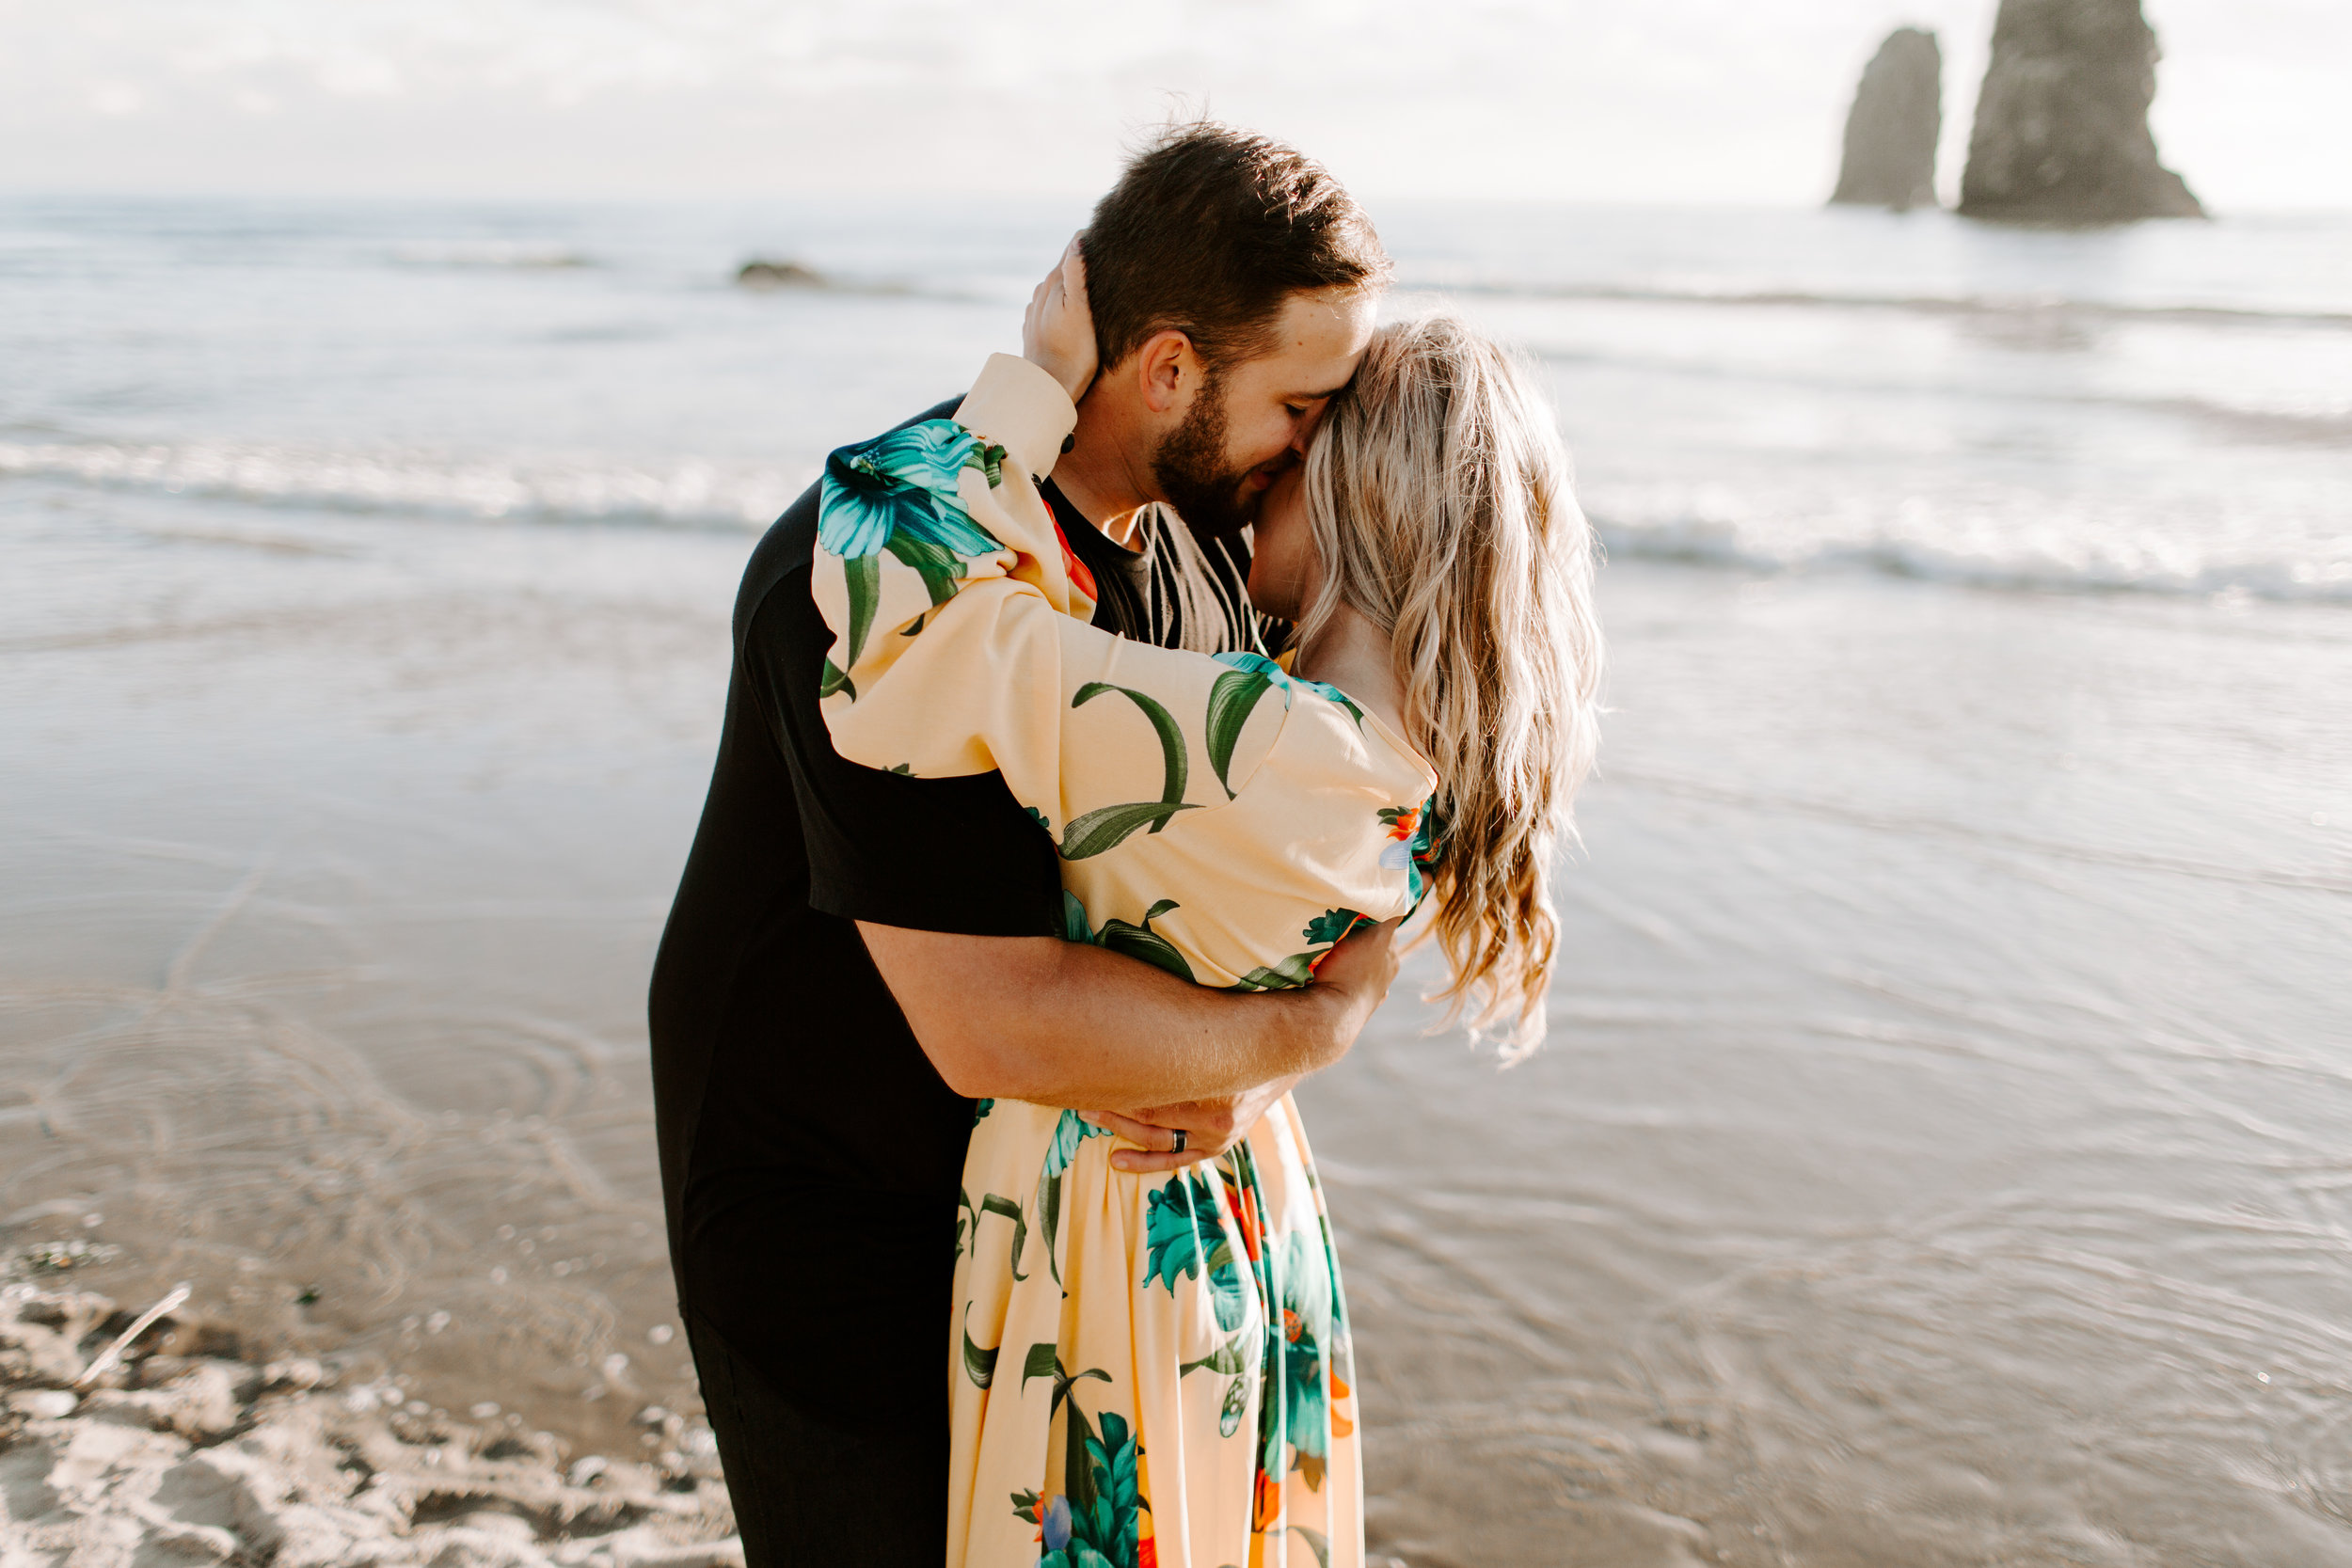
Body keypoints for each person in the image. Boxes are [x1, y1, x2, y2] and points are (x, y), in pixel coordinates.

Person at [645, 123, 1399, 1566]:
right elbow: (995, 1027)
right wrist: (1297, 1036)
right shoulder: (874, 577)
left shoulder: (1186, 557)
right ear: (1171, 369)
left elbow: (1299, 829)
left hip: (1032, 1203)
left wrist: (1314, 1005)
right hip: (828, 1208)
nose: (1317, 447)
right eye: (1302, 406)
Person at [806, 279, 1602, 1562]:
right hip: (1241, 1190)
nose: (1255, 484)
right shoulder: (1414, 757)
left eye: (1295, 451)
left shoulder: (1242, 740)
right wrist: (1320, 1025)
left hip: (1108, 1224)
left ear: (1358, 494)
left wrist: (1034, 380)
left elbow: (895, 579)